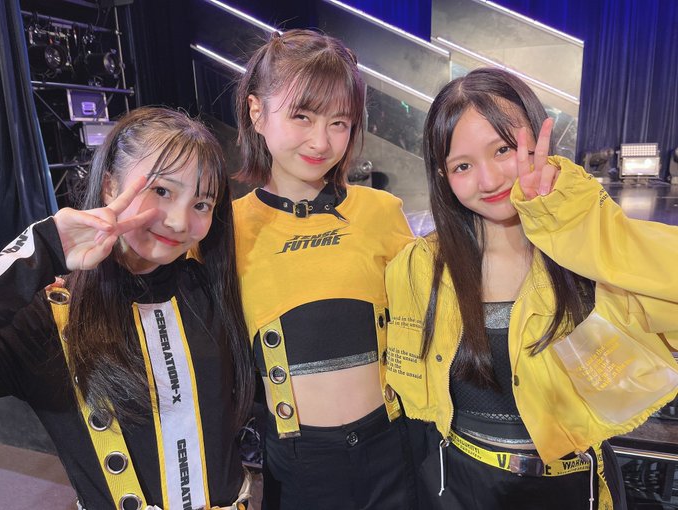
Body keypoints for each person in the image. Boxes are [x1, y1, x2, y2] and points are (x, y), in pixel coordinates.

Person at [385, 67, 678, 510]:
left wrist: (568, 221)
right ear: (443, 176)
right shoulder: (421, 266)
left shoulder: (583, 259)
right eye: (463, 166)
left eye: (503, 149)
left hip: (571, 486)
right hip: (460, 485)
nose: (489, 180)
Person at [0, 107, 254, 510]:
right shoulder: (50, 318)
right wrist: (44, 248)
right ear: (109, 186)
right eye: (162, 191)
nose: (178, 222)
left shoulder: (211, 293)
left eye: (202, 204)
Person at [233, 29, 417, 509]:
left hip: (393, 447)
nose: (321, 140)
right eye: (302, 115)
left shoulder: (382, 212)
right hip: (299, 464)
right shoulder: (225, 231)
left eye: (340, 122)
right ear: (257, 112)